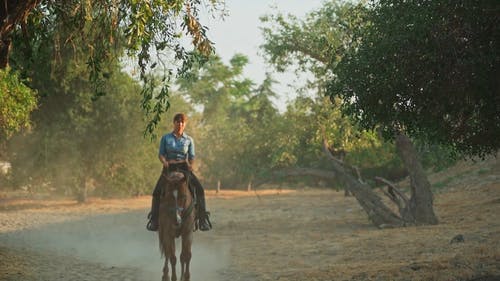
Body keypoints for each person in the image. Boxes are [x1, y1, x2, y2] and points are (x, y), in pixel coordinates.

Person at [146, 113, 212, 232]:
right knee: (156, 192)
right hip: (169, 167)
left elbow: (192, 156)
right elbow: (161, 154)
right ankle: (154, 220)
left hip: (183, 168)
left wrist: (190, 164)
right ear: (174, 123)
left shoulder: (189, 140)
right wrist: (164, 161)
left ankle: (202, 220)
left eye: (182, 122)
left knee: (200, 189)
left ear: (185, 124)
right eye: (178, 122)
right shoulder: (166, 138)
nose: (180, 124)